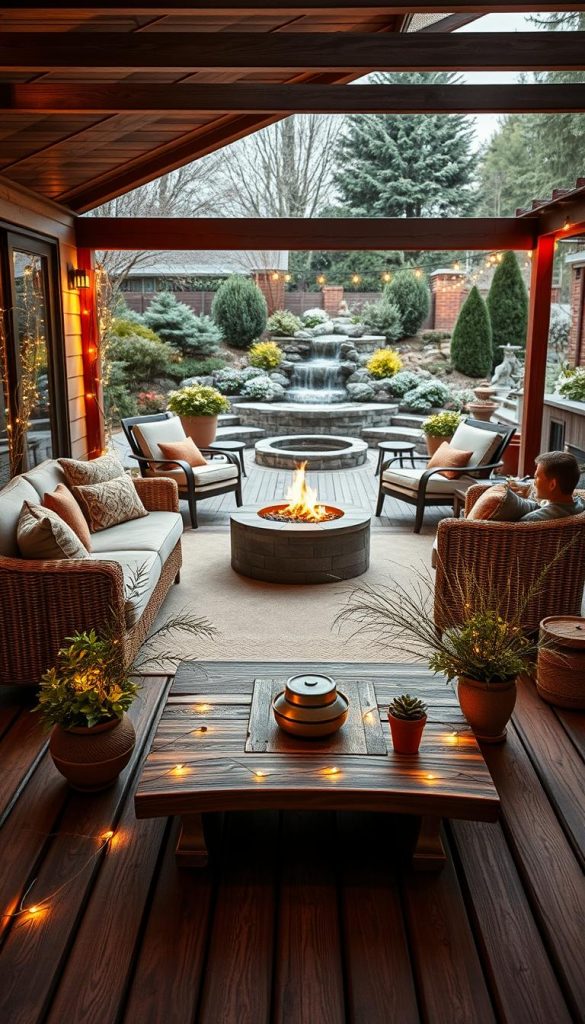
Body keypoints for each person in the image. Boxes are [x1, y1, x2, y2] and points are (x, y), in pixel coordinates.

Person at [509, 450, 585, 522]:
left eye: (536, 477)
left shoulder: (532, 519)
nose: (534, 482)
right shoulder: (581, 504)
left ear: (552, 485)